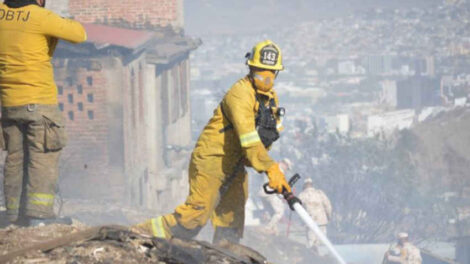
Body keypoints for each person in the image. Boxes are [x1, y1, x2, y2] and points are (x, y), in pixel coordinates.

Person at [134, 40, 290, 244]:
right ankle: (136, 234)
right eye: (261, 70)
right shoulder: (240, 94)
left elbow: (263, 139)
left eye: (271, 72)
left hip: (236, 164)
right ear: (251, 68)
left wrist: (267, 161)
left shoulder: (270, 100)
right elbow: (249, 140)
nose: (266, 76)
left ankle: (224, 255)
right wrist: (270, 169)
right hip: (213, 160)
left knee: (232, 221)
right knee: (192, 219)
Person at [0, 0, 87, 226]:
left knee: (15, 158)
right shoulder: (40, 17)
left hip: (9, 103)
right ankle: (39, 217)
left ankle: (13, 216)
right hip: (38, 101)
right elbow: (79, 34)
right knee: (43, 157)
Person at [257, 158, 292, 235]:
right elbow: (276, 183)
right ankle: (268, 228)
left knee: (272, 212)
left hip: (263, 193)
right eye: (287, 168)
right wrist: (283, 192)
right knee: (279, 212)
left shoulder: (274, 168)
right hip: (270, 193)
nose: (287, 170)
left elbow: (283, 183)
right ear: (284, 164)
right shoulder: (276, 169)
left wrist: (288, 191)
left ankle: (274, 230)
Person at [298, 178, 332, 251]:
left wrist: (302, 221)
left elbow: (299, 210)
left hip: (310, 222)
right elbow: (328, 205)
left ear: (304, 185)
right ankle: (319, 257)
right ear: (312, 184)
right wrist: (329, 216)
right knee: (320, 241)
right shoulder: (320, 193)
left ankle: (313, 257)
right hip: (322, 221)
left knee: (311, 241)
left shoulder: (301, 195)